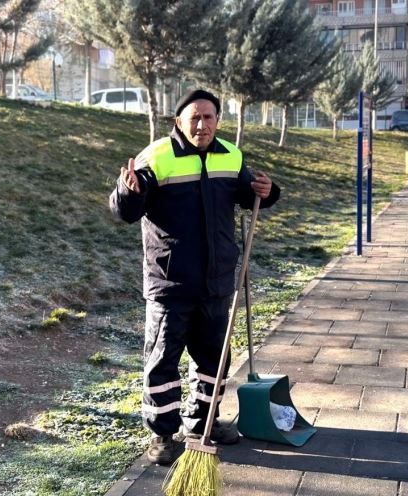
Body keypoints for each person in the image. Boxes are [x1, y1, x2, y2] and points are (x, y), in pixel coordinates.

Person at [109, 89, 280, 465]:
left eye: (209, 117)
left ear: (218, 121)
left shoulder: (230, 156)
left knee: (214, 360)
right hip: (171, 282)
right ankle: (163, 435)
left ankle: (204, 421)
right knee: (163, 360)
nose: (202, 124)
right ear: (179, 121)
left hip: (216, 282)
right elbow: (125, 211)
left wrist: (267, 193)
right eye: (195, 118)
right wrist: (127, 192)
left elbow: (249, 194)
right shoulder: (156, 156)